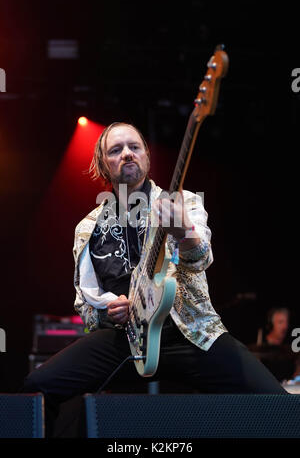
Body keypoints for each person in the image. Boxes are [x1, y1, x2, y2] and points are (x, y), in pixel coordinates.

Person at [22, 122, 287, 437]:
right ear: (102, 164)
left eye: (134, 147)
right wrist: (106, 312)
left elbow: (201, 257)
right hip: (126, 341)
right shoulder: (88, 228)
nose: (127, 155)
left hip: (191, 334)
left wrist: (183, 232)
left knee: (278, 407)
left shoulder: (182, 202)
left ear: (146, 155)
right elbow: (86, 305)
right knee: (35, 390)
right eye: (116, 150)